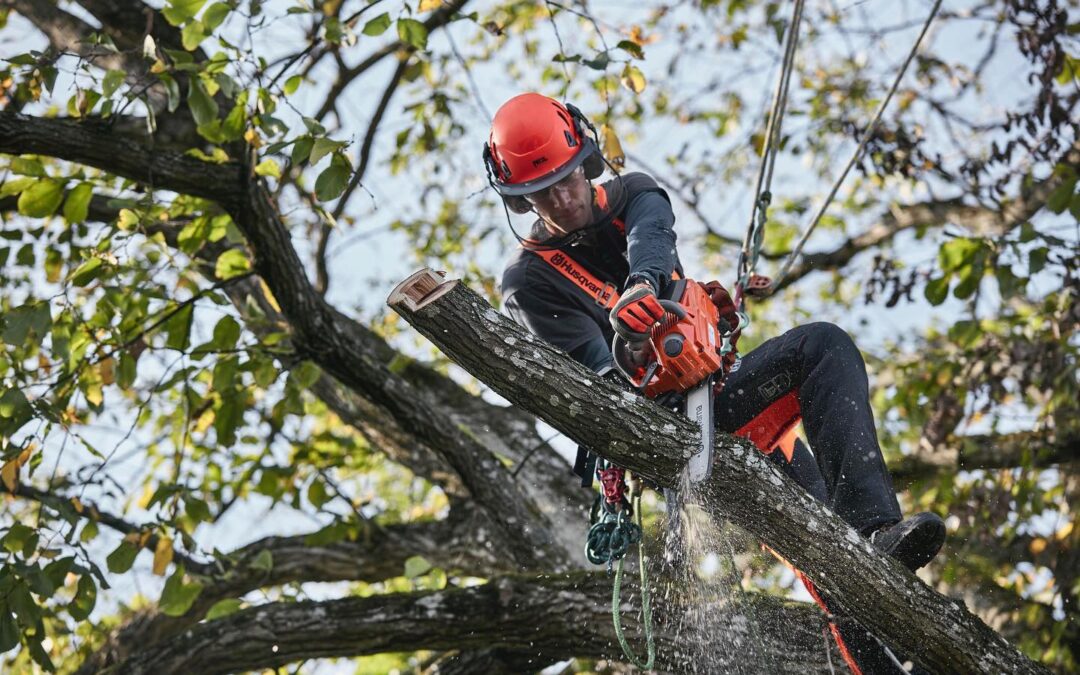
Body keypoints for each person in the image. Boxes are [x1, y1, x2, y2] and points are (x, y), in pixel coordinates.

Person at [486, 93, 944, 672]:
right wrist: (627, 348)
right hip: (664, 434)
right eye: (541, 191)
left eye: (566, 177)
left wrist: (647, 290)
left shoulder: (634, 194)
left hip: (726, 400)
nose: (562, 197)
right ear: (521, 200)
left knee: (832, 542)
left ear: (587, 160)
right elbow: (590, 390)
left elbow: (652, 239)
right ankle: (870, 564)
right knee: (819, 360)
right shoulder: (530, 283)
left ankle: (875, 545)